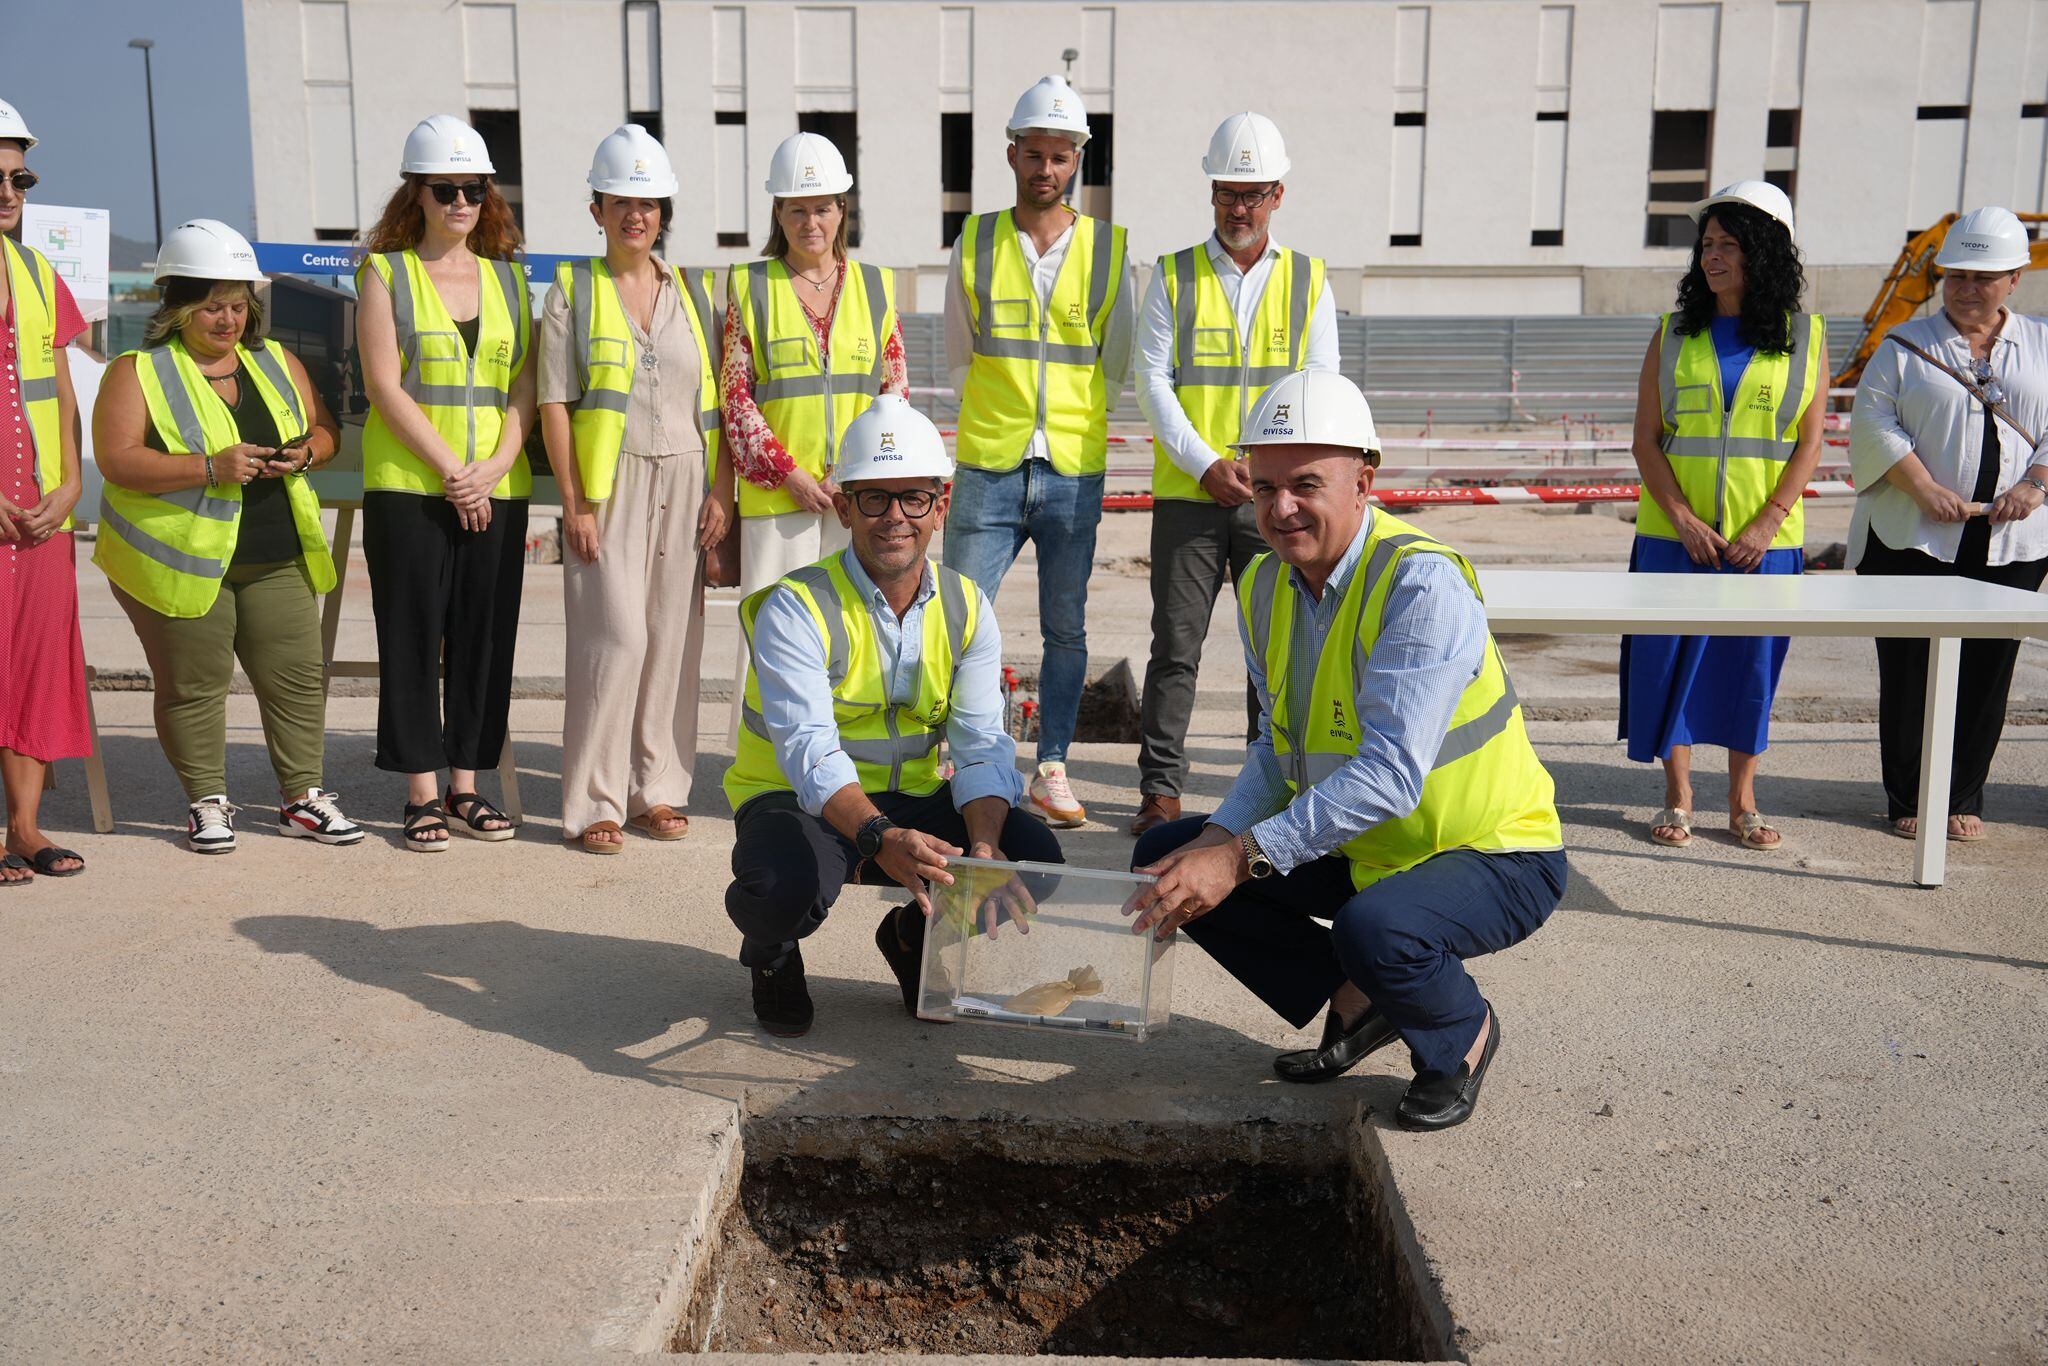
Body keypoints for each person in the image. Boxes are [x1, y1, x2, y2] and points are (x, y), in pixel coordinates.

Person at [1129, 371, 1565, 1132]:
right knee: (1167, 857)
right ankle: (1362, 1001)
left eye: (1305, 484)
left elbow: (1393, 776)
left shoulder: (1418, 584)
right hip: (1372, 849)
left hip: (1493, 853)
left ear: (1365, 481)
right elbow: (1277, 748)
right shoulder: (1266, 582)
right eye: (1263, 487)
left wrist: (1238, 858)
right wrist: (1213, 839)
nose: (1281, 508)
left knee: (1377, 928)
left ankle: (1459, 1033)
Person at [723, 394, 1064, 1038]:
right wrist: (880, 837)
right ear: (845, 506)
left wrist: (984, 848)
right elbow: (809, 753)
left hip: (912, 797)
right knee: (779, 887)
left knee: (1029, 860)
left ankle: (910, 936)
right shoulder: (797, 607)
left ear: (940, 505)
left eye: (913, 497)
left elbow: (981, 747)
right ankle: (770, 956)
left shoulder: (966, 607)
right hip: (798, 800)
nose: (894, 518)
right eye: (874, 498)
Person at [92, 219, 359, 854]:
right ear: (177, 306)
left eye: (239, 305)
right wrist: (209, 468)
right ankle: (207, 802)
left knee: (294, 678)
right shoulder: (138, 371)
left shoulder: (275, 362)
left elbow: (326, 431)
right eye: (212, 306)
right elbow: (117, 459)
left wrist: (305, 454)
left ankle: (302, 798)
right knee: (193, 686)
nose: (229, 320)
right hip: (183, 562)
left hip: (276, 553)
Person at [1129, 111, 1337, 837]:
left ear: (1277, 194)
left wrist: (1268, 476)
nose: (1238, 207)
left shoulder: (1309, 280)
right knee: (1175, 649)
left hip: (1276, 504)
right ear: (1212, 191)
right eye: (1227, 192)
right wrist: (1206, 462)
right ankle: (1160, 793)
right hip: (1192, 495)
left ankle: (1271, 784)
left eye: (1252, 193)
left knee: (1275, 653)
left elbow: (1322, 388)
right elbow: (1151, 381)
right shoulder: (1173, 274)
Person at [942, 74, 1136, 828]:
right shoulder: (977, 239)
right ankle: (964, 754)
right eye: (1034, 153)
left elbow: (1114, 366)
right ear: (1012, 153)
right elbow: (960, 356)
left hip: (1071, 470)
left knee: (1067, 629)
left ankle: (1050, 765)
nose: (1045, 168)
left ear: (1077, 159)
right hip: (989, 461)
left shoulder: (1110, 249)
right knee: (959, 619)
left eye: (1060, 155)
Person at [539, 124, 732, 855]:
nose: (635, 215)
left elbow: (711, 401)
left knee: (672, 642)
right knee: (613, 640)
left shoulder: (694, 292)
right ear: (597, 209)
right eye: (621, 201)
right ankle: (595, 801)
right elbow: (556, 402)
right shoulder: (572, 291)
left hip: (687, 478)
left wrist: (722, 491)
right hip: (609, 485)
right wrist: (575, 502)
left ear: (663, 212)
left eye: (648, 202)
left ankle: (660, 791)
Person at [1620, 181, 1828, 853]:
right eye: (1706, 245)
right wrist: (1680, 518)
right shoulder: (1673, 333)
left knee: (1751, 669)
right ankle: (1678, 797)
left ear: (1764, 252)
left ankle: (1743, 801)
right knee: (1668, 662)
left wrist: (1767, 523)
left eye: (1727, 244)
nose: (1711, 257)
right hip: (1674, 538)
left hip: (1763, 545)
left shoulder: (1808, 338)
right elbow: (1646, 439)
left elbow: (1810, 441)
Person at [355, 114, 535, 852]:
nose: (462, 201)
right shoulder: (384, 273)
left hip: (498, 485)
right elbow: (382, 386)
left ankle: (468, 787)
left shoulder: (509, 279)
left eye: (474, 188)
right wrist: (454, 473)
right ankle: (420, 792)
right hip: (410, 487)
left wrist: (491, 470)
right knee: (411, 636)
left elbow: (526, 385)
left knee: (484, 639)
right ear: (417, 195)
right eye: (446, 189)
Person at [1849, 206, 2048, 842]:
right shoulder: (1904, 344)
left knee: (1989, 670)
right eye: (1956, 274)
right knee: (1908, 667)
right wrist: (1924, 487)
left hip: (2011, 540)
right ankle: (1908, 795)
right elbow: (1874, 422)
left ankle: (1963, 795)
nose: (1966, 287)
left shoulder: (2044, 345)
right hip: (1914, 535)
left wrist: (2035, 484)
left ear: (2015, 278)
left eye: (1983, 276)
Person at [722, 130, 905, 599]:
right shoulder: (750, 286)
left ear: (841, 210)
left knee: (852, 634)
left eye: (822, 208)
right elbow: (735, 397)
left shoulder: (877, 287)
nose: (811, 222)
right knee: (771, 633)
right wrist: (791, 476)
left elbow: (895, 394)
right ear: (778, 213)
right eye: (797, 209)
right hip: (778, 502)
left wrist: (847, 475)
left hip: (856, 498)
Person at [0, 97, 90, 885]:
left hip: (39, 508)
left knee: (31, 662)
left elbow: (59, 388)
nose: (8, 193)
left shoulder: (35, 270)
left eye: (20, 177)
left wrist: (69, 485)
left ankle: (24, 828)